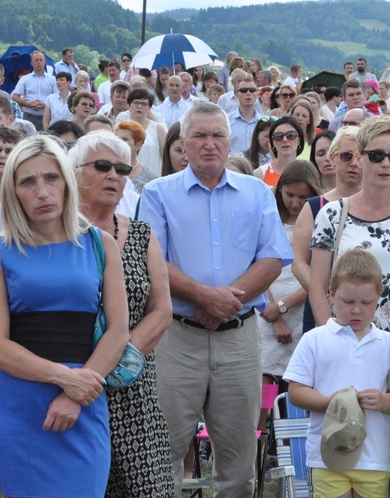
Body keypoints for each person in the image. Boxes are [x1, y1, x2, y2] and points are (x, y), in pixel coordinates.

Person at [137, 101, 292, 497]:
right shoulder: (157, 194)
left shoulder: (257, 193)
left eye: (218, 135)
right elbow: (151, 259)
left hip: (239, 341)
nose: (210, 144)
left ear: (230, 143)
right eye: (200, 136)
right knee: (164, 454)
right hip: (176, 339)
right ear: (183, 145)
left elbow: (273, 258)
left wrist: (225, 302)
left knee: (238, 461)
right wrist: (206, 297)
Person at [0, 135, 130, 496]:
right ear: (13, 191)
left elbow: (119, 332)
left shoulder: (100, 243)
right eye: (28, 182)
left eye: (51, 178)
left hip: (85, 401)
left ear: (67, 182)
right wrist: (65, 378)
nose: (42, 192)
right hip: (19, 407)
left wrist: (76, 393)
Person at [69, 131, 174, 496]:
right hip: (69, 379)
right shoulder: (53, 234)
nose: (114, 175)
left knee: (145, 487)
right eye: (102, 166)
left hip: (131, 381)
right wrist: (88, 375)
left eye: (122, 168)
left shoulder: (142, 234)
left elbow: (161, 310)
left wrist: (116, 361)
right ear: (75, 171)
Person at [284, 248, 390, 497]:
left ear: (379, 297)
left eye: (366, 303)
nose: (357, 310)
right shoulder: (314, 339)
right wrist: (332, 403)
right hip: (326, 455)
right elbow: (295, 391)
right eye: (348, 302)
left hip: (375, 457)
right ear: (331, 293)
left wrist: (383, 401)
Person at [310, 117, 390, 335]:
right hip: (344, 339)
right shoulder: (331, 214)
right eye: (377, 155)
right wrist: (329, 338)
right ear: (359, 158)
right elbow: (317, 285)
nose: (386, 164)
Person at [292, 126, 362, 333]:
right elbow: (298, 261)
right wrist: (322, 294)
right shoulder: (315, 205)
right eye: (346, 155)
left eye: (361, 156)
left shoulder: (381, 206)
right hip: (323, 304)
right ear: (333, 157)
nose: (354, 163)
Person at [259, 161, 320, 393]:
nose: (295, 203)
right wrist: (274, 312)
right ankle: (261, 430)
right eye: (290, 195)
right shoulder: (269, 219)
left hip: (303, 306)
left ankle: (291, 429)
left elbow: (320, 275)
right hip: (266, 307)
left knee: (299, 382)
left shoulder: (320, 222)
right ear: (279, 189)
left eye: (303, 198)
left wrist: (284, 307)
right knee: (265, 379)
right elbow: (257, 266)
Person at [124, 88, 166, 177]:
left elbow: (166, 158)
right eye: (136, 103)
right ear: (129, 106)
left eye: (143, 104)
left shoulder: (158, 129)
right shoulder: (122, 128)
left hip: (153, 179)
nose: (139, 107)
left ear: (149, 107)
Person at [254, 116, 304, 187]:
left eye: (291, 135)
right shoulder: (260, 174)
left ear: (299, 140)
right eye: (278, 136)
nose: (285, 140)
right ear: (273, 142)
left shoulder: (308, 173)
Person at [11, 51, 55, 130]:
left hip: (47, 115)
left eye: (41, 60)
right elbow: (15, 96)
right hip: (29, 115)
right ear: (31, 63)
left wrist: (45, 105)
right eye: (36, 60)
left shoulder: (52, 79)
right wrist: (28, 104)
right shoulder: (25, 79)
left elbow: (57, 97)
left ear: (45, 62)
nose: (39, 62)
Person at [114, 120, 158, 193]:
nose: (119, 143)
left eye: (124, 139)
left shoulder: (150, 178)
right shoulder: (107, 169)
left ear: (138, 145)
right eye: (117, 139)